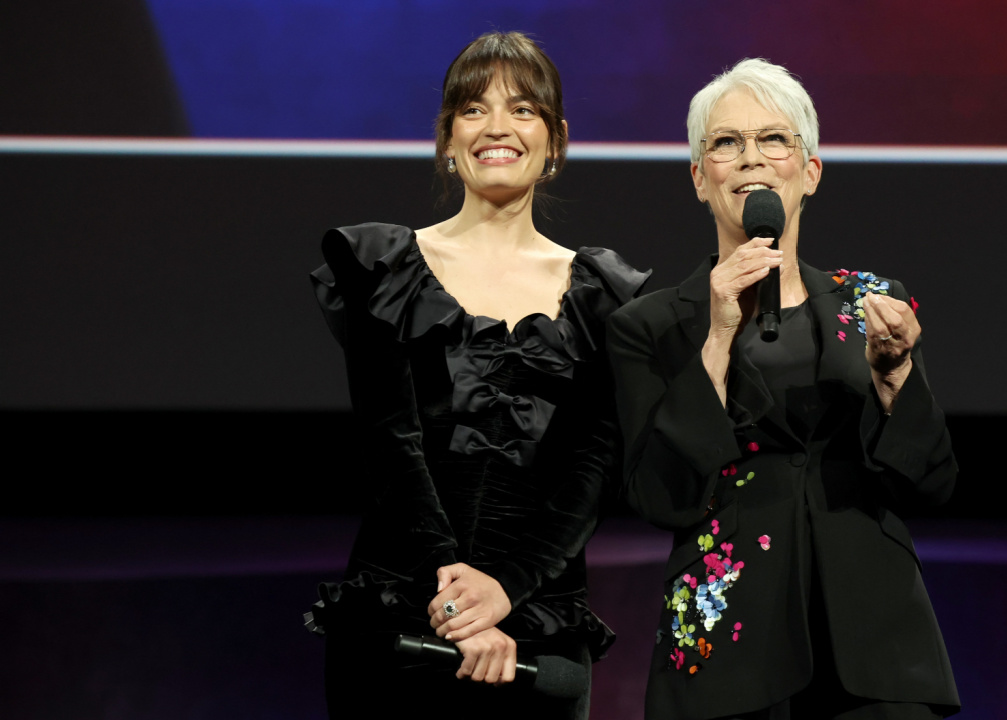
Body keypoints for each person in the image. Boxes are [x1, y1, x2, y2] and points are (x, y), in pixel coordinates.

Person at [304, 31, 648, 719]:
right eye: (473, 109)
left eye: (523, 110)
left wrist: (507, 589)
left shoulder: (606, 293)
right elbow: (391, 441)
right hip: (404, 611)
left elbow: (594, 465)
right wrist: (461, 599)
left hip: (538, 623)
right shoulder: (384, 265)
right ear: (447, 139)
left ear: (555, 142)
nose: (497, 127)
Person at [605, 58, 961, 720]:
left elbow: (930, 482)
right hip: (727, 646)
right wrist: (714, 338)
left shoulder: (872, 307)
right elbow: (658, 493)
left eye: (775, 140)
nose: (751, 161)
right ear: (698, 179)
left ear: (811, 171)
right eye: (725, 143)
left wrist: (894, 375)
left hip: (875, 647)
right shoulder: (648, 326)